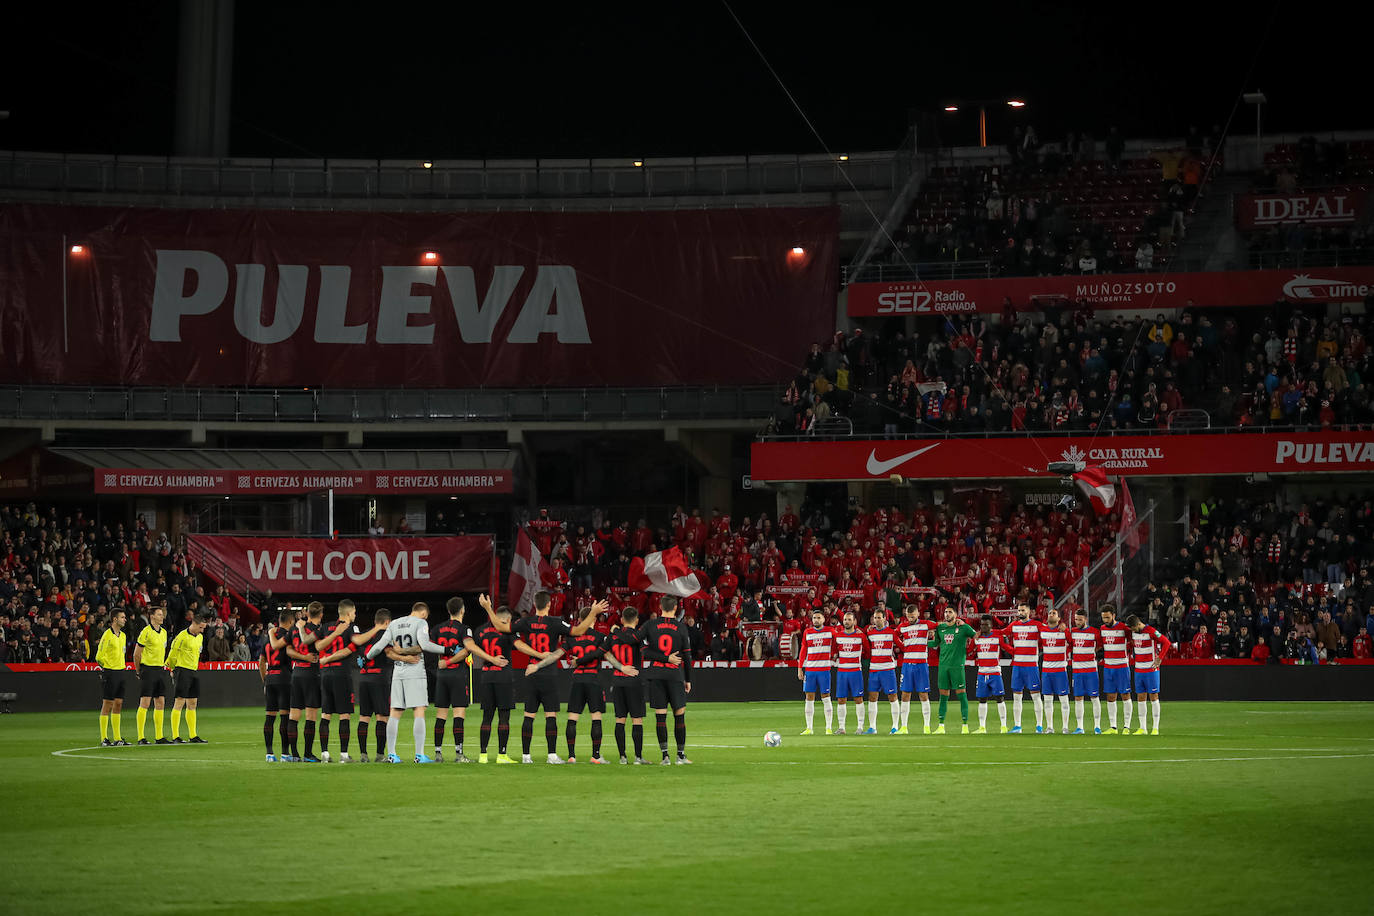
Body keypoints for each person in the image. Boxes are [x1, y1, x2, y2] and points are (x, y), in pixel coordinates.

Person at [525, 598, 624, 764]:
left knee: (573, 718)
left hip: (577, 679)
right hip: (593, 679)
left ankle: (571, 756)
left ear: (579, 621)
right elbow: (610, 657)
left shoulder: (571, 639)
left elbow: (556, 655)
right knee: (596, 718)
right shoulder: (600, 637)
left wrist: (537, 666)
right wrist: (622, 668)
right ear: (593, 619)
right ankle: (596, 756)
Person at [509, 590, 597, 764]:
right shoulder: (555, 622)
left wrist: (488, 609)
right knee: (551, 715)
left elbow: (505, 628)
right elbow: (579, 630)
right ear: (549, 604)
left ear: (535, 604)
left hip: (531, 670)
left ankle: (526, 756)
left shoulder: (526, 621)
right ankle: (551, 755)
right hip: (548, 672)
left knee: (529, 715)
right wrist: (593, 612)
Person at [365, 601, 458, 763]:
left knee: (395, 713)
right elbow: (424, 644)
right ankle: (419, 755)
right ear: (423, 613)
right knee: (419, 711)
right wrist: (446, 650)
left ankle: (392, 754)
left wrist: (368, 656)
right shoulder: (421, 623)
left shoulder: (394, 623)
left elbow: (379, 646)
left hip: (398, 672)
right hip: (415, 671)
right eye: (426, 617)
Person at [316, 599, 384, 763]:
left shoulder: (326, 627)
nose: (355, 615)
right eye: (354, 612)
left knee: (326, 714)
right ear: (348, 613)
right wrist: (377, 627)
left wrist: (326, 659)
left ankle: (324, 754)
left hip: (325, 674)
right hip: (341, 674)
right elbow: (357, 642)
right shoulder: (351, 627)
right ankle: (344, 755)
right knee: (344, 715)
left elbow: (318, 647)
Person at [641, 594, 694, 765]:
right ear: (676, 608)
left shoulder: (650, 625)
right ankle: (680, 755)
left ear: (661, 607)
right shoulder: (681, 627)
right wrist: (688, 679)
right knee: (679, 715)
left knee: (660, 716)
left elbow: (643, 649)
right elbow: (687, 656)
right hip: (674, 675)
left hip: (656, 675)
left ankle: (665, 756)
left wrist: (662, 658)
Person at [468, 595, 516, 763]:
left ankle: (483, 755)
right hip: (504, 676)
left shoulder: (480, 630)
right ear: (508, 619)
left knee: (487, 716)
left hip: (486, 675)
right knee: (504, 716)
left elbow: (475, 649)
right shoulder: (508, 630)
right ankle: (502, 755)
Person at [432, 597, 474, 763]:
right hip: (457, 674)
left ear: (449, 611)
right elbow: (466, 651)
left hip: (442, 675)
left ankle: (438, 753)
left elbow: (430, 647)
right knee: (458, 714)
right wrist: (450, 661)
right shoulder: (465, 629)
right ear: (462, 610)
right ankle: (459, 754)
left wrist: (442, 662)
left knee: (441, 714)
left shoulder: (437, 628)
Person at [285, 601, 326, 762]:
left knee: (294, 715)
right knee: (310, 716)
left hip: (297, 672)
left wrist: (301, 657)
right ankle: (308, 754)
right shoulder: (319, 631)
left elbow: (288, 649)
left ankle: (294, 754)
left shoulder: (295, 628)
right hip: (312, 673)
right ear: (321, 615)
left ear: (307, 614)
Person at [608, 606, 648, 763]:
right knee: (636, 719)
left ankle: (622, 757)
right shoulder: (638, 636)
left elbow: (603, 652)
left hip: (617, 681)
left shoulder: (613, 636)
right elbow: (645, 651)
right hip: (634, 681)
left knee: (620, 719)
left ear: (622, 620)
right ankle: (638, 757)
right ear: (637, 620)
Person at [355, 608, 394, 762]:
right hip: (379, 678)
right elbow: (390, 653)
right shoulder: (386, 635)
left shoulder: (364, 635)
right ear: (387, 622)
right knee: (382, 717)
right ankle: (379, 755)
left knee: (364, 717)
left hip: (363, 678)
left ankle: (363, 755)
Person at [929, 607, 976, 733]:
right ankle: (941, 726)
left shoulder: (963, 627)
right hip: (943, 666)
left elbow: (976, 636)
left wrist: (970, 650)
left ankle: (965, 726)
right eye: (945, 612)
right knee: (943, 696)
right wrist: (920, 642)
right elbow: (935, 643)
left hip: (957, 666)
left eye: (950, 612)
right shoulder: (940, 628)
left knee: (961, 694)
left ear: (955, 614)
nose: (947, 614)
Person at [167, 614, 209, 744]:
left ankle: (193, 735)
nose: (202, 630)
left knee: (192, 703)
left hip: (193, 671)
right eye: (201, 627)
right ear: (194, 624)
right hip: (182, 670)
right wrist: (172, 669)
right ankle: (175, 736)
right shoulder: (181, 637)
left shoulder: (200, 637)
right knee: (179, 702)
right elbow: (172, 654)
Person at [1127, 614, 1172, 735]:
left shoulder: (1151, 631)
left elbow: (1166, 642)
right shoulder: (1134, 632)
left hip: (1151, 669)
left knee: (1153, 696)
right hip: (1138, 669)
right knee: (1141, 698)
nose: (1132, 631)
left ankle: (1155, 728)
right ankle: (1142, 728)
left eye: (1133, 628)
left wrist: (1160, 658)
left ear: (1137, 624)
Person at [133, 606, 171, 745]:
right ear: (152, 616)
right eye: (159, 614)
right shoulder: (146, 632)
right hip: (148, 669)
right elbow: (137, 654)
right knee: (145, 702)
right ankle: (141, 737)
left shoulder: (164, 633)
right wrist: (139, 671)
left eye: (162, 614)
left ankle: (159, 736)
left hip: (160, 669)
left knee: (160, 701)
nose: (162, 617)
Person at [1006, 603, 1045, 733]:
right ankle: (1017, 726)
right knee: (1016, 696)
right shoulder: (1014, 625)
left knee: (1035, 695)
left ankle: (1039, 725)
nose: (1020, 612)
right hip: (1017, 666)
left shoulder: (1036, 625)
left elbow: (1049, 631)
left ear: (1029, 611)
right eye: (1019, 610)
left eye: (1023, 610)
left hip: (1031, 666)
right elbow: (1002, 632)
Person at [260, 609, 294, 762]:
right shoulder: (288, 637)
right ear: (291, 622)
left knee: (269, 717)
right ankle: (285, 754)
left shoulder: (267, 639)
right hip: (284, 679)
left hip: (271, 679)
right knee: (285, 717)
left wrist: (264, 680)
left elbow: (261, 662)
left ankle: (269, 753)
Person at [796, 609, 836, 735]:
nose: (816, 620)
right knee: (809, 698)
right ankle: (809, 728)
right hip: (810, 670)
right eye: (814, 618)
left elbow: (839, 641)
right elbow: (803, 651)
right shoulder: (807, 632)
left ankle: (828, 728)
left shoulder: (830, 631)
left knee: (826, 697)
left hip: (824, 670)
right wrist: (800, 668)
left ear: (824, 619)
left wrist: (835, 655)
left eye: (819, 618)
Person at [863, 607, 901, 735]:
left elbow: (901, 646)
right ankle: (872, 727)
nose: (877, 620)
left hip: (888, 669)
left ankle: (895, 726)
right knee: (872, 697)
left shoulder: (891, 633)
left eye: (879, 617)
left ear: (885, 619)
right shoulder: (870, 633)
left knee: (892, 696)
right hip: (874, 669)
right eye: (875, 617)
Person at [897, 604, 933, 734]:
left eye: (912, 616)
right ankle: (904, 727)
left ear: (918, 614)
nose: (910, 619)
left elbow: (941, 626)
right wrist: (902, 647)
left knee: (923, 695)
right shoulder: (903, 626)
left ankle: (927, 726)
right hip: (907, 665)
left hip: (921, 664)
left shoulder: (926, 624)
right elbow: (894, 635)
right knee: (905, 695)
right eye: (908, 616)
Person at [95, 608, 129, 746]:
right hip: (110, 672)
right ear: (115, 619)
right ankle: (104, 738)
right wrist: (107, 669)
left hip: (121, 671)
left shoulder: (123, 636)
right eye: (122, 617)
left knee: (118, 704)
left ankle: (117, 738)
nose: (124, 619)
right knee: (107, 704)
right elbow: (99, 657)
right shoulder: (107, 635)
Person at [1098, 604, 1134, 734]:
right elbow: (1100, 645)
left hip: (1122, 666)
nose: (1105, 620)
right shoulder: (1102, 628)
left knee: (1125, 695)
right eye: (1103, 618)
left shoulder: (1124, 628)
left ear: (1114, 616)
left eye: (1107, 617)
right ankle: (1113, 727)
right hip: (1108, 667)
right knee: (1110, 696)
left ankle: (1127, 727)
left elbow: (1132, 641)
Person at [971, 615, 1009, 733]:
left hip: (995, 672)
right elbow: (968, 651)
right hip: (981, 672)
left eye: (986, 624)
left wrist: (1017, 652)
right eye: (982, 624)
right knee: (982, 699)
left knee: (999, 698)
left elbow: (1006, 648)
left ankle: (1003, 726)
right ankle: (982, 727)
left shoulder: (997, 637)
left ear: (991, 625)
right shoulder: (977, 638)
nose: (983, 627)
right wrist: (973, 638)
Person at [832, 610, 868, 735]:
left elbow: (867, 652)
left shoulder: (861, 636)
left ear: (854, 621)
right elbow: (833, 652)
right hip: (842, 672)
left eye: (849, 619)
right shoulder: (838, 636)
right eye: (845, 620)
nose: (847, 622)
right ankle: (841, 727)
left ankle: (860, 727)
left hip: (855, 671)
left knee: (858, 699)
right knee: (841, 699)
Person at [1069, 609, 1102, 734]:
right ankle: (1080, 727)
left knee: (1094, 697)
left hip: (1091, 670)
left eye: (1080, 620)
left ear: (1086, 619)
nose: (1077, 622)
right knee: (1078, 697)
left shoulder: (1094, 632)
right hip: (1077, 670)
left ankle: (1097, 726)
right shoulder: (1073, 632)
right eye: (1076, 619)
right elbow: (1071, 645)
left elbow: (1099, 645)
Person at [1037, 609, 1071, 734]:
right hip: (1046, 670)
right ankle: (1050, 727)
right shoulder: (1043, 630)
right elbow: (1039, 644)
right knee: (1047, 699)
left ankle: (1065, 727)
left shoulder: (1063, 631)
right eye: (1050, 613)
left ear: (1059, 618)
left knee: (1063, 699)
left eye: (1054, 613)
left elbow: (1072, 643)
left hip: (1060, 670)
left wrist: (1066, 630)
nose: (1051, 614)